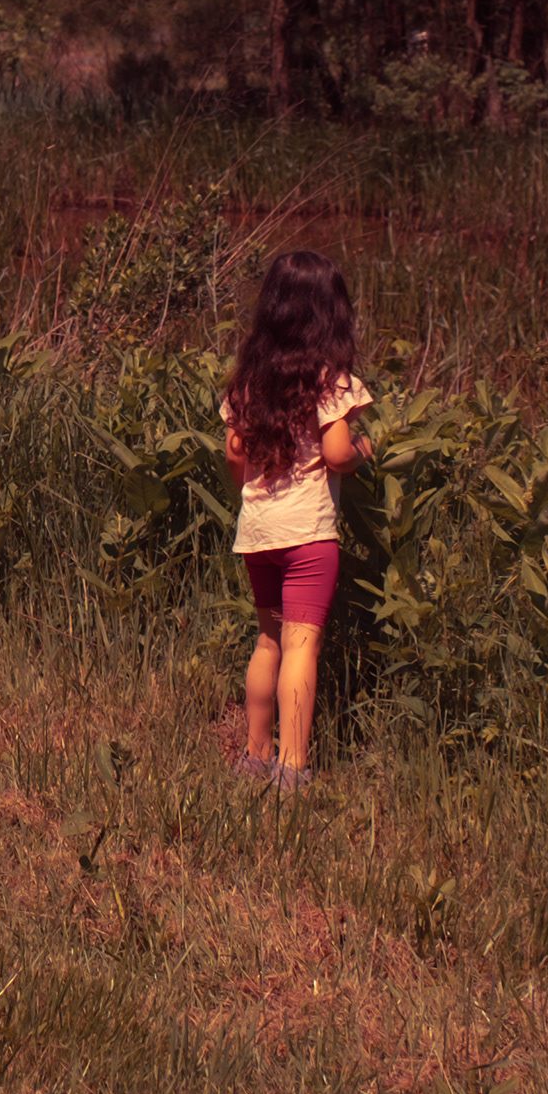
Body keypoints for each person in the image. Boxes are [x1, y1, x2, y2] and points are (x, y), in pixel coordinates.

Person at [221, 248, 372, 784]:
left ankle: (254, 756)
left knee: (268, 641)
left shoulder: (250, 379)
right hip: (308, 534)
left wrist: (250, 494)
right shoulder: (329, 380)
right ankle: (291, 768)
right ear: (330, 312)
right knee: (301, 646)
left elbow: (235, 452)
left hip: (258, 530)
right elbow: (336, 453)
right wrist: (364, 450)